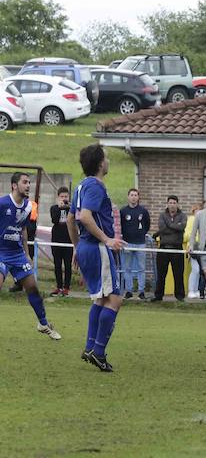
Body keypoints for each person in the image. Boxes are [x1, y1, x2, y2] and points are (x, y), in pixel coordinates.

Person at [66, 144, 124, 371]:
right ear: (100, 163)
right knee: (115, 299)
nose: (108, 161)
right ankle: (98, 352)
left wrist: (76, 247)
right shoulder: (95, 186)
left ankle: (90, 348)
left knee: (101, 298)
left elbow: (71, 218)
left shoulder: (81, 185)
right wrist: (107, 239)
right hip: (98, 247)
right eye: (107, 158)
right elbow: (86, 217)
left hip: (86, 247)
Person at [0, 173, 61, 340]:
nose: (28, 185)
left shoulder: (28, 206)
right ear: (14, 185)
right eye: (24, 182)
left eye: (29, 182)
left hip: (18, 254)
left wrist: (27, 254)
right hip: (1, 253)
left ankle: (43, 323)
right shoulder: (2, 203)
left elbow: (23, 230)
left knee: (33, 288)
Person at [152, 195, 187, 302]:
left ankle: (180, 296)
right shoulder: (162, 215)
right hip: (163, 248)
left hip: (177, 248)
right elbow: (162, 228)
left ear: (177, 204)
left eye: (174, 203)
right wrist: (174, 227)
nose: (172, 205)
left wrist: (169, 225)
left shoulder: (182, 215)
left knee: (178, 274)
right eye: (170, 203)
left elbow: (181, 227)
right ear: (167, 204)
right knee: (161, 273)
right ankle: (158, 296)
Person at [119, 188, 150, 299]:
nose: (133, 197)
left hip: (140, 243)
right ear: (128, 197)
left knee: (141, 268)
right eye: (131, 195)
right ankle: (129, 290)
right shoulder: (123, 211)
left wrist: (141, 234)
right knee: (127, 268)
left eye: (135, 195)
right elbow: (120, 225)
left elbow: (147, 225)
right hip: (127, 243)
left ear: (138, 197)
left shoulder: (143, 211)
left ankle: (141, 291)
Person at [49, 186, 73, 297]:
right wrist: (60, 208)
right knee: (57, 265)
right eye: (62, 196)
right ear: (58, 197)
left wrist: (67, 207)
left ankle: (67, 287)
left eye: (66, 196)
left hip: (68, 240)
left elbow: (75, 218)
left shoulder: (71, 208)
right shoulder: (54, 208)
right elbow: (54, 220)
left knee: (68, 265)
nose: (64, 198)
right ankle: (59, 286)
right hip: (56, 240)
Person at [184, 202, 201, 299]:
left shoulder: (203, 220)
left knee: (200, 270)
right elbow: (186, 235)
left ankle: (196, 290)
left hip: (201, 247)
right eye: (196, 210)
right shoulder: (191, 220)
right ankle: (191, 290)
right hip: (193, 247)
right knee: (195, 269)